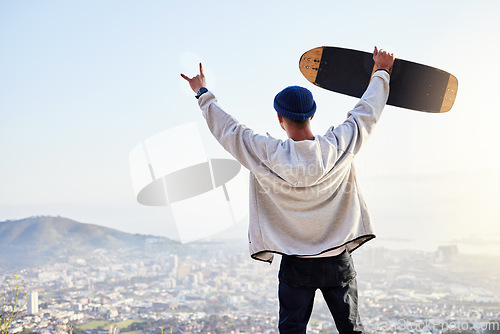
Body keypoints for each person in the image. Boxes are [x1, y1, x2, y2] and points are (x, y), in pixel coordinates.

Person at [181, 46, 395, 333]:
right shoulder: (338, 147)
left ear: (280, 119)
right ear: (312, 115)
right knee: (351, 329)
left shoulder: (263, 154)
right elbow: (366, 113)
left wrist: (202, 92)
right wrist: (381, 72)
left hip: (295, 263)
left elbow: (227, 129)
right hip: (337, 260)